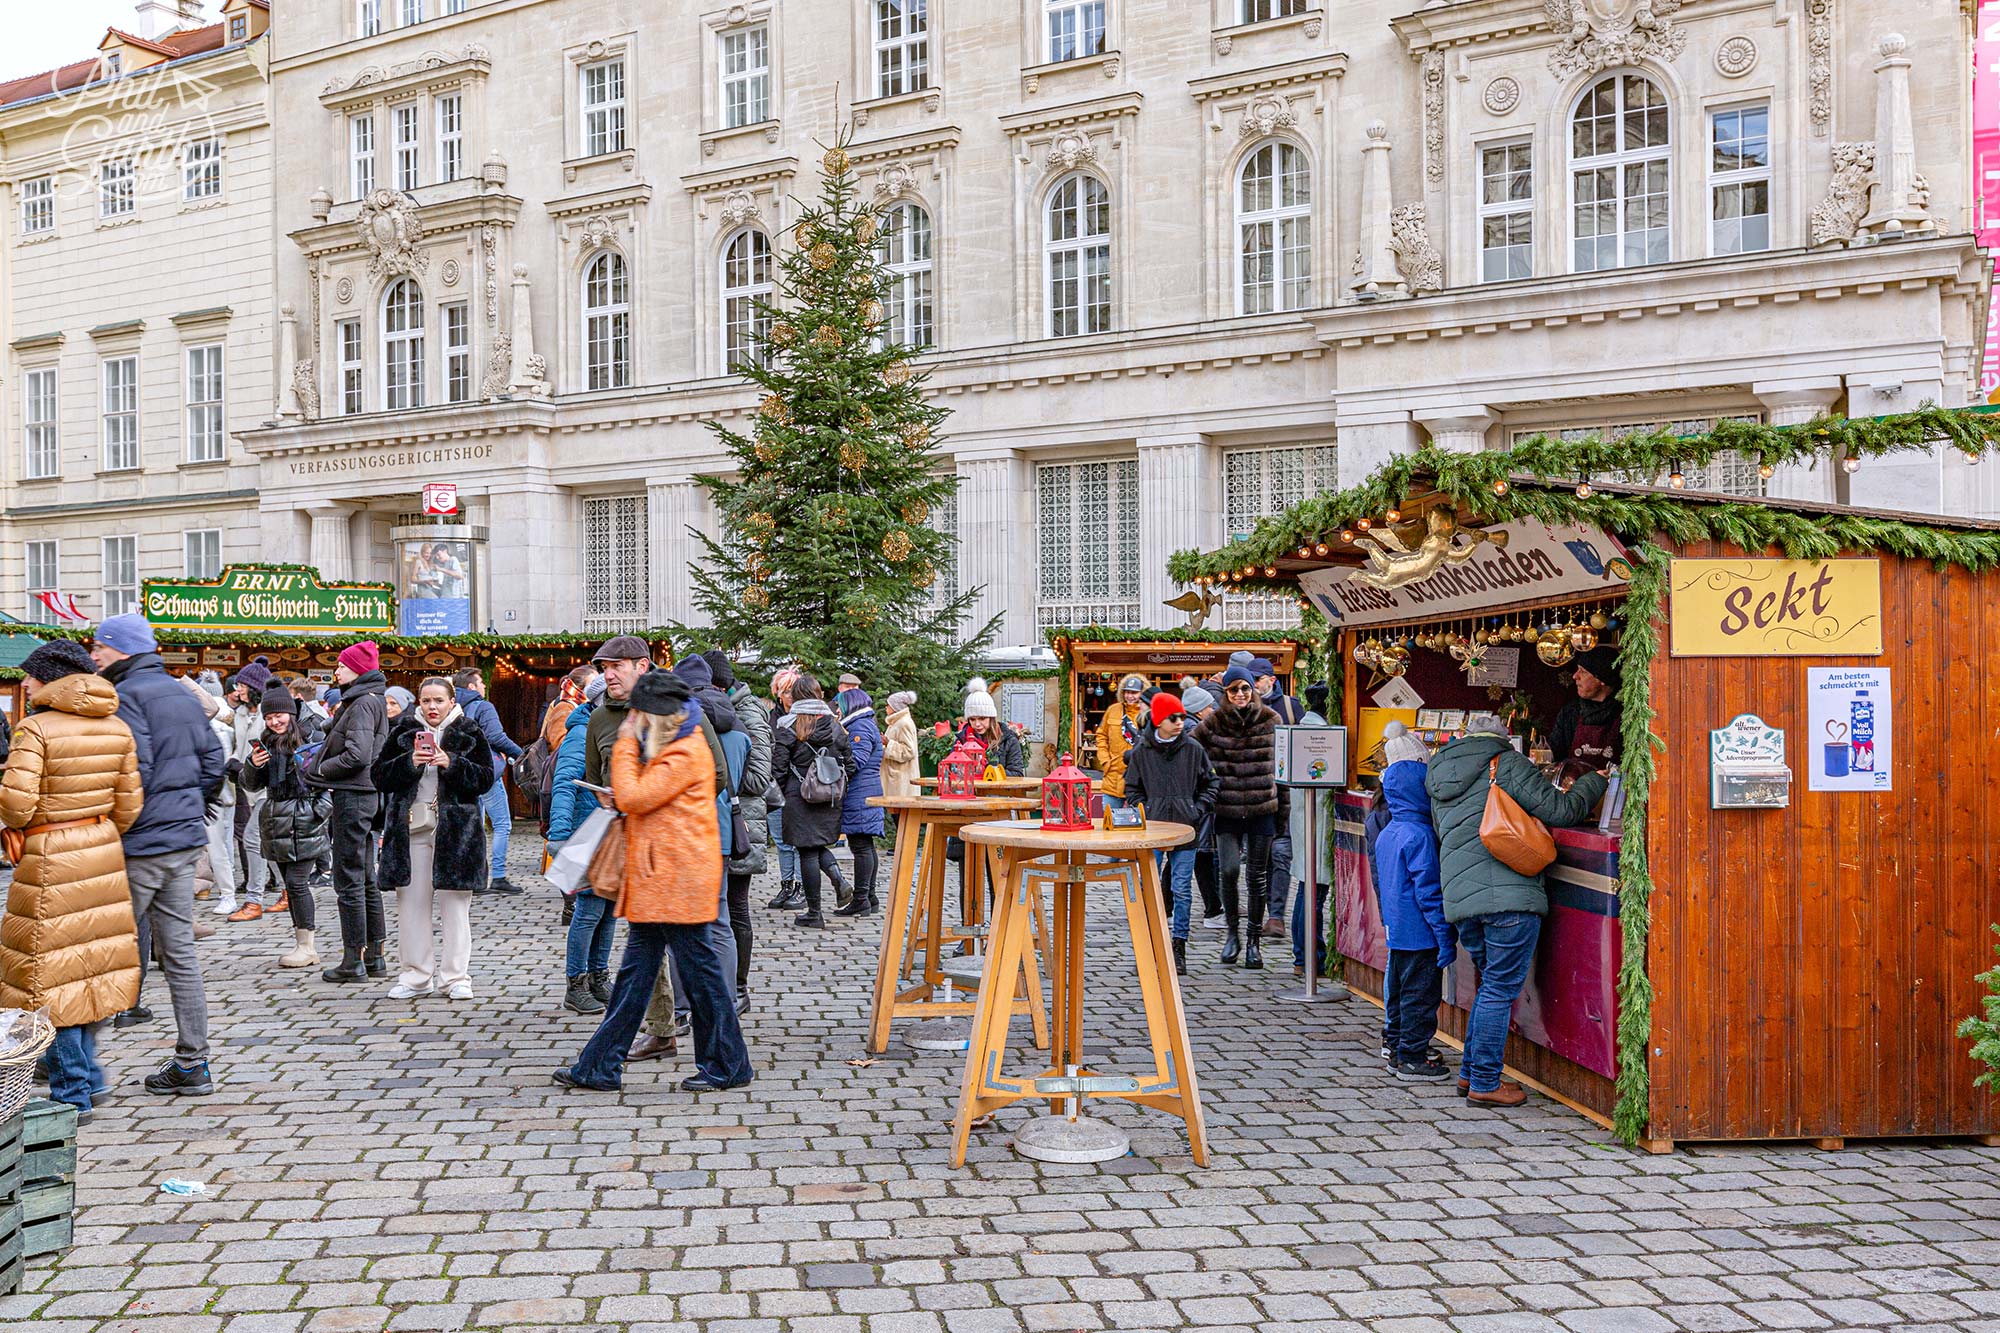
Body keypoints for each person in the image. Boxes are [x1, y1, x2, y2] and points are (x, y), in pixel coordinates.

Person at [553, 671, 754, 1093]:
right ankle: (600, 1066)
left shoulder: (683, 751)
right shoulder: (674, 745)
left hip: (675, 881)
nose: (633, 721)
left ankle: (727, 1065)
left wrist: (625, 745)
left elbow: (635, 797)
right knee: (641, 978)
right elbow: (643, 800)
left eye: (638, 715)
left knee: (699, 979)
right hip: (662, 880)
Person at [1427, 713, 1607, 1106]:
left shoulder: (1438, 771)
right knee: (1499, 988)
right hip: (1508, 893)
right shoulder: (1505, 762)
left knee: (1489, 984)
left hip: (1460, 897)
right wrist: (1596, 779)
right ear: (1503, 739)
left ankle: (1470, 1074)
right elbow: (1561, 812)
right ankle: (1486, 1082)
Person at [0, 640, 143, 1118]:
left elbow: (15, 805)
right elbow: (129, 807)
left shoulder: (35, 729)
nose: (23, 683)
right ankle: (90, 1080)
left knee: (46, 981)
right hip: (101, 850)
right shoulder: (117, 727)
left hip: (50, 857)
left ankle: (73, 1094)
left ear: (50, 679)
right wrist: (92, 831)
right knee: (84, 971)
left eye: (30, 675)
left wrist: (31, 827)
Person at [90, 613, 226, 1095]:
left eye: (100, 648)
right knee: (179, 953)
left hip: (143, 842)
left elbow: (134, 773)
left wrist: (123, 826)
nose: (94, 655)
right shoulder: (177, 691)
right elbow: (214, 762)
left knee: (103, 948)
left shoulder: (125, 696)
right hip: (183, 838)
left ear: (121, 650)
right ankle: (193, 1062)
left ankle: (75, 1062)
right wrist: (190, 807)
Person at [374, 677, 496, 1000]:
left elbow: (485, 778)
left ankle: (456, 977)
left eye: (438, 700)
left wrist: (451, 763)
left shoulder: (468, 731)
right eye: (426, 700)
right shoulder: (403, 731)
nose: (431, 707)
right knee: (412, 906)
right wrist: (409, 763)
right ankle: (415, 975)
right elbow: (380, 775)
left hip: (456, 833)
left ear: (451, 700)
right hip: (411, 830)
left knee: (455, 908)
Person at [312, 640, 391, 983]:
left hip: (353, 795)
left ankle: (352, 959)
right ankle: (374, 955)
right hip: (364, 793)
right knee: (365, 876)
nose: (337, 671)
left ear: (357, 669)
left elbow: (357, 755)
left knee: (349, 877)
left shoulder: (361, 703)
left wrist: (320, 769)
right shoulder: (367, 701)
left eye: (342, 666)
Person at [1121, 692, 1216, 977]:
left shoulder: (1193, 749)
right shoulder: (1142, 752)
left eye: (1181, 717)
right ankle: (1149, 944)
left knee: (1182, 888)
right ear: (1159, 719)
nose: (1179, 723)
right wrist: (1146, 810)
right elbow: (1132, 788)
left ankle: (1179, 945)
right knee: (1148, 887)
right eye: (1173, 718)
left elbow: (1210, 783)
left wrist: (1197, 809)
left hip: (1186, 829)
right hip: (1153, 830)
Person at [1192, 664, 1278, 969]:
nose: (1240, 694)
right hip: (1226, 809)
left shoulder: (1271, 720)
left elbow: (1284, 765)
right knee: (1228, 871)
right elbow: (1190, 750)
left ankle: (1253, 941)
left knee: (1256, 877)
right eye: (1233, 690)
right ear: (1226, 693)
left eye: (1244, 688)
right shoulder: (1214, 723)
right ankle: (1232, 934)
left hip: (1261, 809)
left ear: (1252, 690)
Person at [239, 685, 332, 969]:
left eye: (278, 715)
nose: (274, 722)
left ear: (290, 714)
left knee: (296, 883)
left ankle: (307, 946)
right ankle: (301, 942)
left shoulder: (312, 737)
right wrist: (253, 765)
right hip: (277, 820)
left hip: (304, 817)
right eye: (269, 718)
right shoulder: (266, 742)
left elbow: (330, 775)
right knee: (289, 883)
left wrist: (320, 810)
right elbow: (250, 784)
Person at [1375, 753, 1452, 1081]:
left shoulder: (1388, 831)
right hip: (1421, 933)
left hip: (1397, 931)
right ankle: (1413, 1056)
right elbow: (1429, 893)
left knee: (1400, 992)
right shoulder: (1420, 835)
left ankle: (1397, 1046)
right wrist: (1445, 936)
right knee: (1421, 996)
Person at [770, 675, 854, 929]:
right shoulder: (836, 726)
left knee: (807, 850)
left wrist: (784, 794)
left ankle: (814, 912)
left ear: (795, 697)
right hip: (829, 796)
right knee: (817, 845)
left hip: (799, 797)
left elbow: (779, 767)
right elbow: (849, 763)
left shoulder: (789, 725)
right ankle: (838, 878)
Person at [551, 673, 612, 1013]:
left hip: (609, 829)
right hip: (585, 829)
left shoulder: (609, 728)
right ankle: (576, 983)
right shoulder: (582, 730)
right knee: (588, 909)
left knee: (607, 909)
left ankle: (599, 977)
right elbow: (565, 782)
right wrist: (559, 836)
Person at [711, 651, 769, 1010]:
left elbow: (760, 778)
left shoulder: (747, 715)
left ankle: (740, 989)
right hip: (724, 819)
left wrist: (718, 776)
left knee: (737, 908)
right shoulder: (716, 712)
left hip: (743, 822)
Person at [453, 668, 525, 894]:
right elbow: (495, 736)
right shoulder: (483, 706)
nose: (485, 687)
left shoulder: (453, 707)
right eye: (482, 684)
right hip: (486, 772)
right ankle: (499, 876)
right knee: (502, 824)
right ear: (472, 687)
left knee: (475, 826)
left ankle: (475, 878)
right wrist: (520, 753)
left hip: (462, 772)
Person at [184, 672, 241, 920]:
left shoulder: (213, 726)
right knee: (221, 847)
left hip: (211, 796)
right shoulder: (224, 722)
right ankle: (221, 891)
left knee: (216, 848)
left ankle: (227, 894)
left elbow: (219, 765)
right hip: (219, 795)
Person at [1179, 684, 1226, 932]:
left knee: (1195, 856)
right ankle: (1212, 909)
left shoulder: (1187, 729)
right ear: (1199, 711)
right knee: (1200, 855)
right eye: (1209, 706)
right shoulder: (1197, 733)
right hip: (1198, 804)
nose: (1212, 709)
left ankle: (1212, 908)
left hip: (1194, 803)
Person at [835, 688, 885, 918]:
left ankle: (861, 899)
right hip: (867, 791)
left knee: (861, 846)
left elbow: (856, 761)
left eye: (840, 705)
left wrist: (836, 758)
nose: (837, 710)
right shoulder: (865, 723)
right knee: (865, 845)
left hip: (860, 793)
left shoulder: (859, 727)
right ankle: (870, 897)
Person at [1549, 645, 1622, 778]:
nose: (1575, 676)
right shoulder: (1570, 713)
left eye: (1583, 671)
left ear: (1601, 679)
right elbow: (1554, 755)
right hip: (1573, 793)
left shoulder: (1625, 714)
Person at [763, 669, 804, 910]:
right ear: (777, 693)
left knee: (796, 840)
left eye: (792, 690)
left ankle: (800, 886)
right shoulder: (771, 718)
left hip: (797, 788)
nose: (789, 696)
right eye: (785, 691)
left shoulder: (804, 718)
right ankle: (787, 883)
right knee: (780, 840)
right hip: (775, 787)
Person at [1094, 674, 1146, 808]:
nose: (1130, 696)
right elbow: (1101, 735)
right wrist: (1105, 761)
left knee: (1138, 825)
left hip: (1139, 781)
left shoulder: (1147, 712)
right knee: (1109, 822)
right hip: (1113, 778)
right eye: (1127, 692)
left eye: (1134, 692)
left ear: (1142, 693)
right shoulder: (1113, 710)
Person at [959, 684, 1025, 774]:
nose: (977, 724)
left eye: (982, 718)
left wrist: (990, 773)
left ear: (991, 718)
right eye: (972, 719)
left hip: (998, 788)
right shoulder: (961, 740)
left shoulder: (1009, 740)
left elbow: (1017, 773)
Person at [880, 690, 919, 800]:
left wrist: (888, 743)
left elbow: (909, 751)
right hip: (896, 778)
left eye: (888, 705)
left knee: (900, 814)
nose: (886, 707)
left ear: (895, 707)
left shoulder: (903, 723)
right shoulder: (896, 723)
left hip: (902, 781)